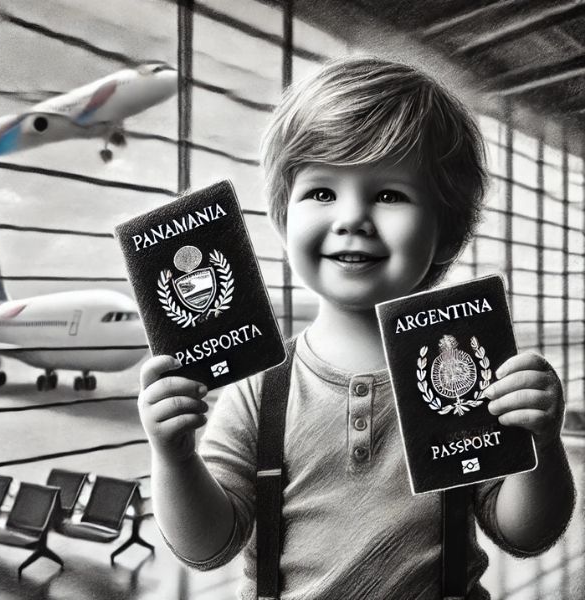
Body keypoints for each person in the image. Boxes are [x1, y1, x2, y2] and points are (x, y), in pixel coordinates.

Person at [138, 57, 575, 599]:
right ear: (283, 218)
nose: (351, 217)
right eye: (321, 192)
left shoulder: (474, 374)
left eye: (389, 194)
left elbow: (524, 533)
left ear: (444, 232)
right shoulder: (260, 387)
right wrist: (174, 458)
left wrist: (540, 445)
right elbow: (209, 546)